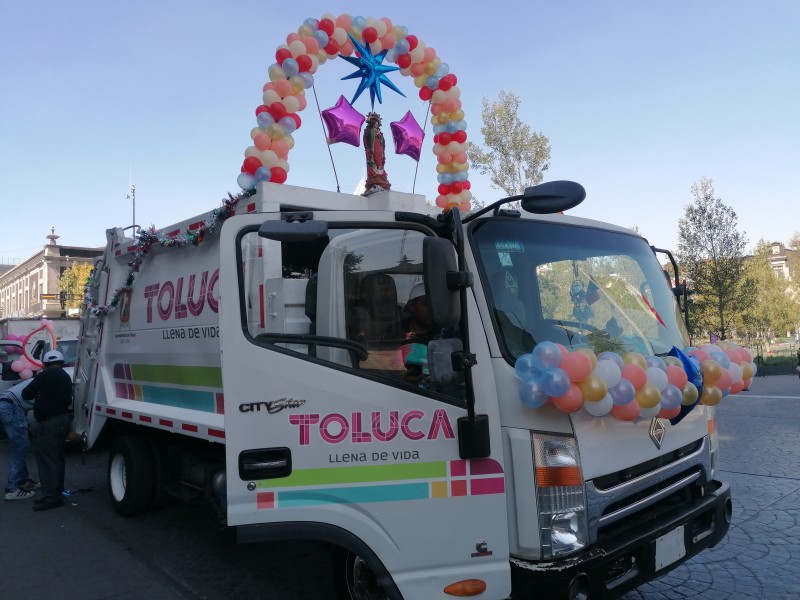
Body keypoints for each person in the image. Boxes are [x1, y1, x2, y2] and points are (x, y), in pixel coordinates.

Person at [21, 350, 73, 511]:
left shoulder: (44, 376)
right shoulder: (65, 376)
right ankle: (56, 493)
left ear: (45, 364)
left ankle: (51, 497)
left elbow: (26, 393)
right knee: (56, 459)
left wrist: (39, 394)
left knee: (47, 460)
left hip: (50, 422)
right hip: (62, 420)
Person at [1, 379, 40, 500]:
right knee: (20, 448)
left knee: (20, 446)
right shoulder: (49, 381)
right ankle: (12, 489)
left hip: (5, 404)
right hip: (11, 407)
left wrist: (27, 426)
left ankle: (23, 481)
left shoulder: (37, 379)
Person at [399, 283, 435, 386]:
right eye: (426, 304)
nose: (432, 309)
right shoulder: (395, 332)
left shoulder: (442, 333)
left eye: (434, 304)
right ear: (411, 306)